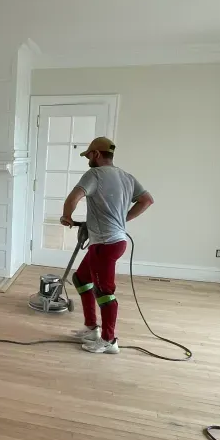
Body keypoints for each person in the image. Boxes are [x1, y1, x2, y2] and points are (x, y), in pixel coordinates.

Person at [60, 136, 154, 354]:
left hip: (106, 244)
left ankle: (109, 341)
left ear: (96, 154)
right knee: (81, 279)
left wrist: (66, 216)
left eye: (88, 156)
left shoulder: (94, 174)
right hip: (113, 240)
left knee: (104, 292)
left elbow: (73, 197)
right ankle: (91, 328)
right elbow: (147, 200)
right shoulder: (126, 177)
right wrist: (123, 220)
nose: (88, 161)